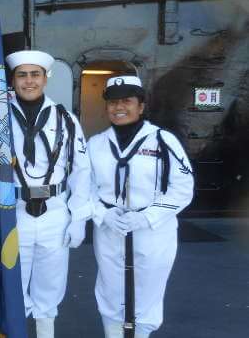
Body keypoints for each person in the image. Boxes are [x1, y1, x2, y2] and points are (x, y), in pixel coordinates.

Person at [0, 50, 92, 338]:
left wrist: (79, 217)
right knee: (13, 286)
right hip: (13, 213)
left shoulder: (65, 118)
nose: (29, 81)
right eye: (22, 75)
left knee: (50, 285)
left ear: (45, 78)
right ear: (13, 80)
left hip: (54, 212)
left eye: (35, 75)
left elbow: (81, 171)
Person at [88, 76, 194, 338]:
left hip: (153, 232)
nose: (119, 107)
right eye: (113, 102)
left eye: (127, 101)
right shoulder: (95, 144)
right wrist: (102, 214)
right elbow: (82, 190)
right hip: (110, 229)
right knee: (110, 290)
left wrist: (146, 218)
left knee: (148, 292)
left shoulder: (163, 141)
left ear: (141, 106)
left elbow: (183, 188)